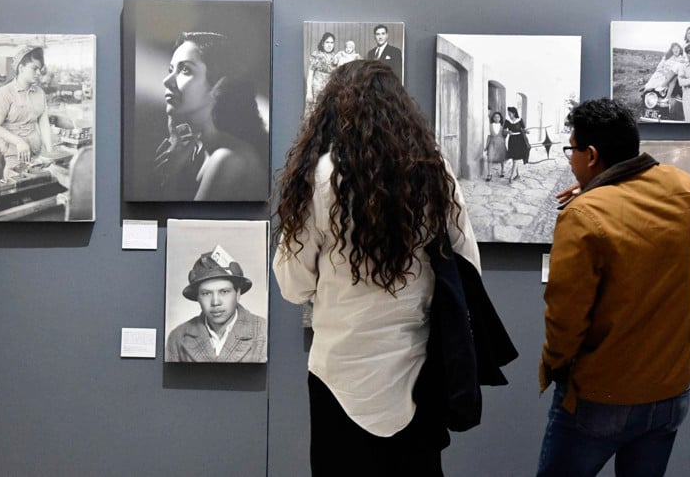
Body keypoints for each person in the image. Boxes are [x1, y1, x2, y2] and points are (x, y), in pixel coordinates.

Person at [273, 60, 480, 475]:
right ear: (400, 108)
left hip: (339, 371)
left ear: (332, 110)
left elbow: (292, 285)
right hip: (416, 370)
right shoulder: (434, 172)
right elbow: (468, 263)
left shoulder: (321, 176)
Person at [538, 98, 690, 477]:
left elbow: (565, 319)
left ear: (591, 155)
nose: (569, 159)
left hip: (601, 396)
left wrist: (555, 366)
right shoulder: (684, 188)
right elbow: (638, 199)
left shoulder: (582, 216)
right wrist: (598, 188)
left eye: (571, 150)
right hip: (670, 390)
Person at [153, 32, 268, 201]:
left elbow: (188, 224)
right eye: (171, 70)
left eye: (185, 69)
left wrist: (169, 175)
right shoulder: (196, 152)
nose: (167, 80)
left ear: (219, 87)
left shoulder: (227, 159)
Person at [165, 246, 267, 362]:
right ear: (197, 297)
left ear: (238, 293)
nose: (215, 302)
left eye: (224, 292)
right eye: (206, 293)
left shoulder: (263, 332)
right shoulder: (177, 337)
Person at [0, 45, 53, 178]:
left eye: (40, 70)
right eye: (34, 68)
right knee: (16, 191)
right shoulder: (4, 93)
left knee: (40, 190)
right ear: (21, 68)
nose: (38, 73)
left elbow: (43, 122)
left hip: (36, 154)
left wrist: (50, 151)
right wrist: (19, 141)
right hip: (13, 157)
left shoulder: (39, 92)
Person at [305, 32, 337, 112]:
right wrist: (309, 92)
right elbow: (310, 74)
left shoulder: (335, 56)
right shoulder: (316, 55)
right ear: (323, 43)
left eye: (332, 42)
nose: (329, 45)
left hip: (330, 91)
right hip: (317, 91)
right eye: (327, 42)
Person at [504, 106, 529, 183]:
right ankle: (518, 175)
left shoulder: (520, 120)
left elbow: (524, 129)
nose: (509, 115)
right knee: (515, 158)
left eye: (510, 113)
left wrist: (526, 131)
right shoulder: (507, 121)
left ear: (514, 113)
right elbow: (504, 131)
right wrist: (508, 132)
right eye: (508, 113)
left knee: (515, 159)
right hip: (512, 140)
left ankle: (511, 177)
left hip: (519, 140)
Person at [482, 111, 507, 181]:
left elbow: (505, 136)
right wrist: (486, 146)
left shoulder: (502, 126)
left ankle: (502, 171)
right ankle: (489, 174)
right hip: (492, 143)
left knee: (502, 158)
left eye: (498, 117)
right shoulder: (490, 126)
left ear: (500, 118)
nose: (497, 118)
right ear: (493, 118)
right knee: (490, 158)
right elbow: (488, 136)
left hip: (501, 143)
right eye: (495, 117)